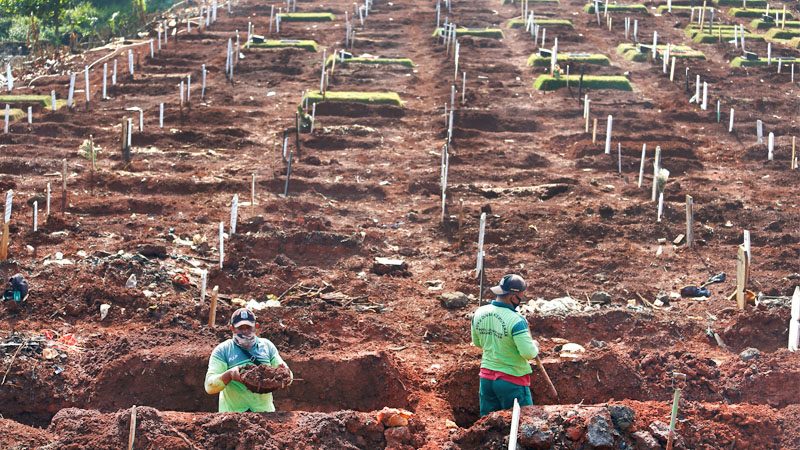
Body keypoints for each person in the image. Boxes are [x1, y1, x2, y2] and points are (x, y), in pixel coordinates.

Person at [470, 274, 539, 416]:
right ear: (513, 297)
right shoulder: (516, 320)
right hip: (512, 381)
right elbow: (528, 353)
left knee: (488, 427)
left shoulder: (479, 313)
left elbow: (477, 343)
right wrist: (534, 345)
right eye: (521, 295)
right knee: (522, 422)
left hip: (486, 379)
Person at [204, 308, 293, 412]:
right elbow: (209, 386)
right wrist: (229, 375)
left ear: (256, 327)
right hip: (233, 417)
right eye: (240, 328)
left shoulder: (267, 346)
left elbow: (289, 376)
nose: (245, 331)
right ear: (232, 328)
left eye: (249, 327)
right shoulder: (223, 350)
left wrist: (284, 374)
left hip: (265, 415)